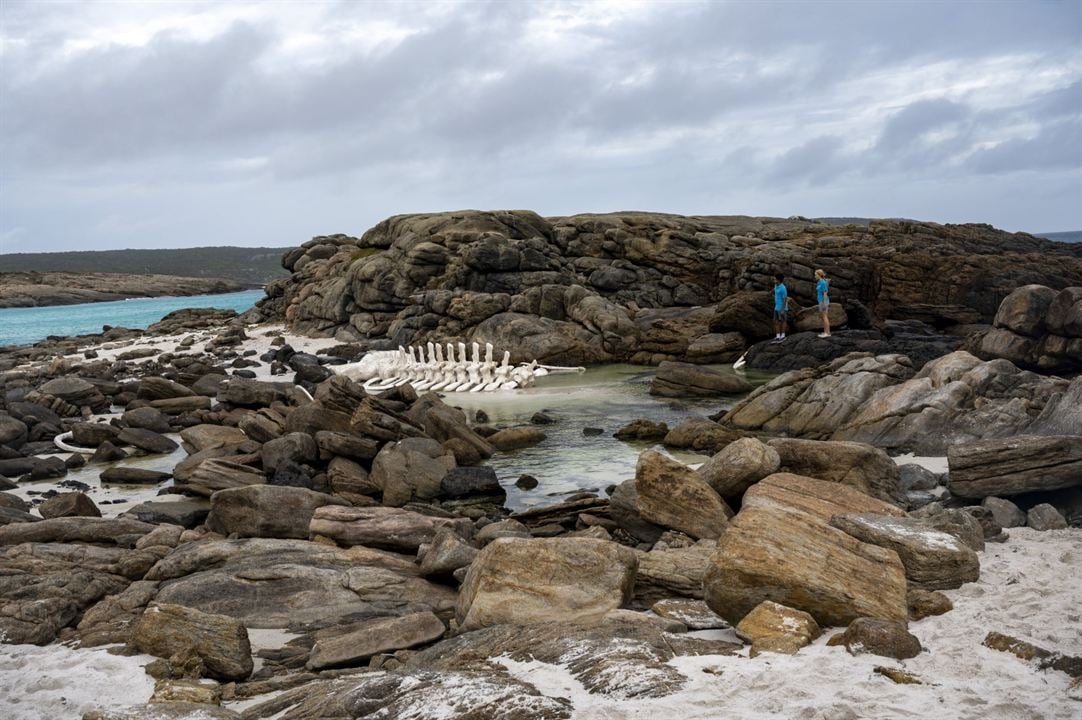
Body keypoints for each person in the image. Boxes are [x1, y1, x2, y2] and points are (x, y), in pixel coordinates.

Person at [772, 272, 788, 342]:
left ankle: (783, 335)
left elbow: (785, 299)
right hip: (776, 307)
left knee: (783, 321)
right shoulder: (776, 285)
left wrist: (782, 309)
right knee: (776, 321)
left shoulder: (783, 288)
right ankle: (778, 336)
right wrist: (771, 292)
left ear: (778, 280)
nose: (774, 280)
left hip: (782, 307)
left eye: (775, 279)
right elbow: (774, 290)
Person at [815, 268, 831, 338]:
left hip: (823, 301)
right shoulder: (819, 282)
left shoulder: (823, 282)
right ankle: (825, 332)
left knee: (824, 317)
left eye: (815, 275)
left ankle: (827, 333)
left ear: (819, 275)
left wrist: (824, 304)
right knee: (823, 317)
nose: (815, 276)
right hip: (820, 301)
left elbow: (825, 293)